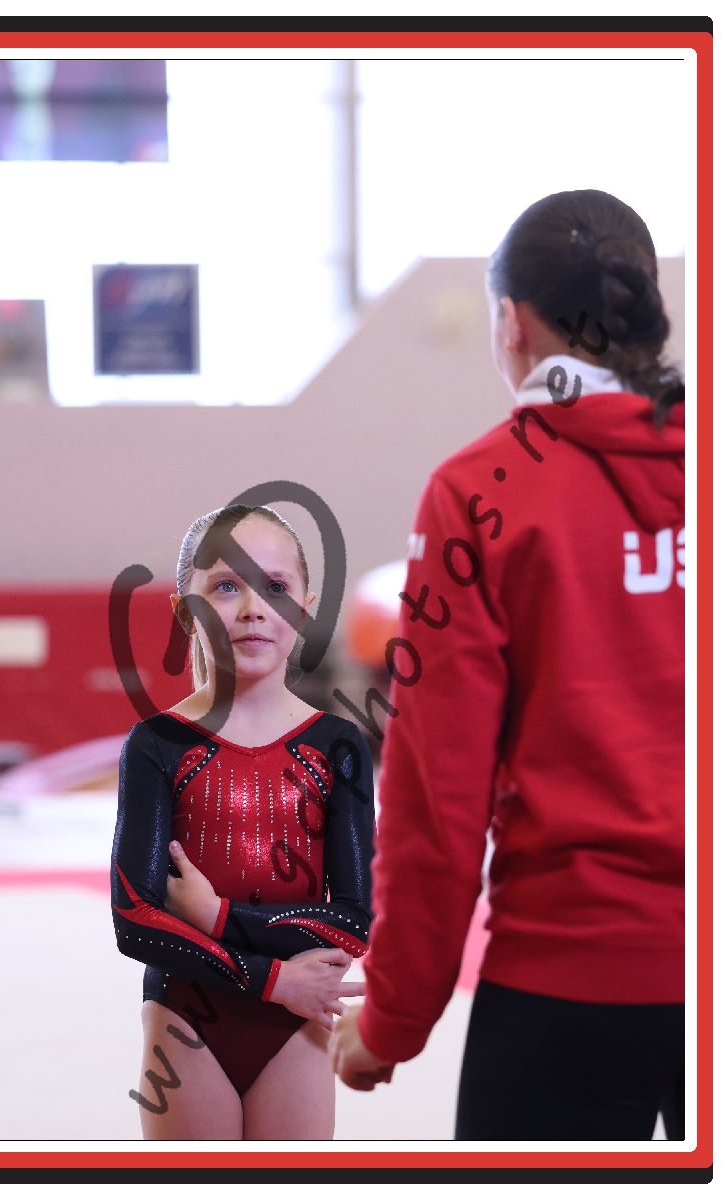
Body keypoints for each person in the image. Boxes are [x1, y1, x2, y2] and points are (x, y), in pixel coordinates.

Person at [330, 189, 685, 1140]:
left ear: (511, 324)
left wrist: (395, 1013)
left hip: (572, 975)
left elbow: (436, 790)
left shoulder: (478, 494)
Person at [111, 503, 374, 1139]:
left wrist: (216, 916)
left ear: (305, 609)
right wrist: (274, 979)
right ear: (186, 612)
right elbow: (134, 919)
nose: (255, 608)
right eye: (227, 586)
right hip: (188, 1020)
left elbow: (353, 921)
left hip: (295, 1029)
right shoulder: (158, 745)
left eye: (275, 587)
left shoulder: (337, 746)